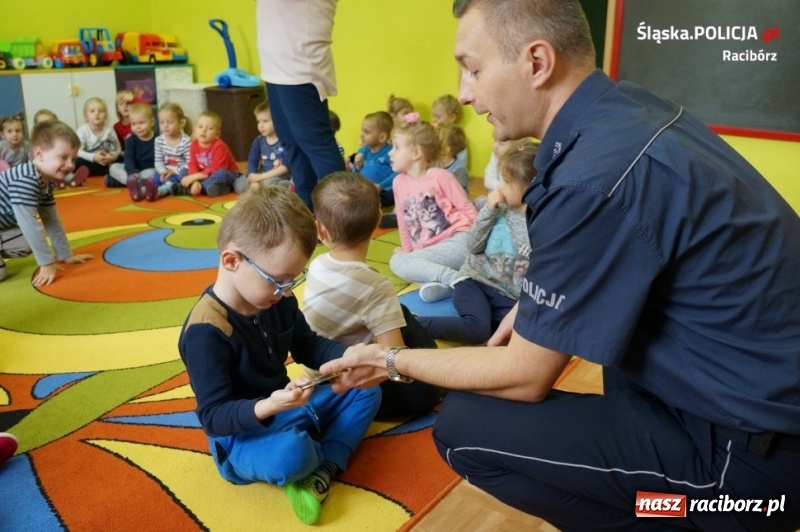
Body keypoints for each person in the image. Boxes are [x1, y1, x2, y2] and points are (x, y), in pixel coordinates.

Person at [319, 1, 800, 530]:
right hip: (755, 399)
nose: (465, 91)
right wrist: (534, 300)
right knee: (612, 354)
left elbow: (524, 376)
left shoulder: (592, 179)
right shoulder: (625, 109)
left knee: (463, 428)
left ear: (538, 62)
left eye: (474, 69)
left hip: (752, 466)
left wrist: (390, 362)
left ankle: (682, 515)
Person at [178, 186, 381, 525]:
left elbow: (309, 346)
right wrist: (270, 405)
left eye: (292, 281)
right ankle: (316, 452)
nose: (286, 291)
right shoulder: (205, 333)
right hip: (244, 433)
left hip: (291, 403)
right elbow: (213, 416)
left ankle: (323, 468)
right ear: (232, 261)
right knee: (292, 455)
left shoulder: (276, 299)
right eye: (278, 280)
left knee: (366, 389)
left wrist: (353, 355)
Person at [303, 171, 443, 417]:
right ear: (379, 218)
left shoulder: (316, 265)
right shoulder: (377, 286)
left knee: (396, 313)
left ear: (320, 230)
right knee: (404, 316)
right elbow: (395, 359)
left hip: (316, 370)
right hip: (352, 387)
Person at [418, 140, 537, 345]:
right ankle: (416, 324)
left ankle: (447, 293)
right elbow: (472, 246)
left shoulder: (543, 222)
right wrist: (489, 211)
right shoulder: (497, 209)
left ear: (531, 186)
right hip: (475, 281)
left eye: (506, 181)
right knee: (477, 330)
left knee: (522, 334)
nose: (499, 186)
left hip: (509, 297)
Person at [255, 0, 346, 210]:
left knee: (316, 144)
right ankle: (308, 212)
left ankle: (342, 218)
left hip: (298, 67)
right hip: (276, 67)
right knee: (291, 144)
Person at [388, 114, 476, 303]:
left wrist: (480, 241)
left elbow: (466, 208)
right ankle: (446, 285)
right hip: (430, 249)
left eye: (396, 147)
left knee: (403, 262)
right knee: (399, 261)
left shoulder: (439, 176)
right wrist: (409, 251)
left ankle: (455, 279)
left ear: (416, 153)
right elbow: (403, 223)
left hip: (457, 241)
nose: (390, 153)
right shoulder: (398, 183)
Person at [0, 120, 93, 284]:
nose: (70, 165)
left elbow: (52, 220)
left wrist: (65, 254)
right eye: (63, 157)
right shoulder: (25, 180)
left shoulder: (46, 181)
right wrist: (46, 264)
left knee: (30, 239)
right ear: (39, 154)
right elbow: (28, 223)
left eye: (73, 158)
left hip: (4, 224)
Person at [233, 101, 291, 194]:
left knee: (268, 185)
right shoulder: (259, 140)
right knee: (239, 185)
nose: (261, 125)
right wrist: (253, 178)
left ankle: (288, 186)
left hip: (280, 176)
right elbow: (252, 161)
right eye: (258, 121)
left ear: (278, 121)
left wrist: (260, 178)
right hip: (262, 174)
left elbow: (286, 167)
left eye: (265, 121)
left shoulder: (285, 140)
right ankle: (260, 189)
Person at [178, 111, 239, 197]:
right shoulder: (193, 144)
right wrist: (195, 180)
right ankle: (209, 188)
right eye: (200, 127)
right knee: (182, 172)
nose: (204, 130)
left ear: (217, 134)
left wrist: (195, 178)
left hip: (228, 174)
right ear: (195, 131)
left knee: (221, 174)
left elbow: (217, 168)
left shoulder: (220, 146)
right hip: (203, 175)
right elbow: (192, 164)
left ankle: (193, 188)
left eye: (210, 128)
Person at [108, 103, 157, 202]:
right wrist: (132, 173)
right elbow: (128, 158)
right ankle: (135, 183)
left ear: (152, 122)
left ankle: (118, 182)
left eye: (141, 123)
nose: (137, 127)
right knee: (113, 167)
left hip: (149, 170)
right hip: (134, 171)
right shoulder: (130, 140)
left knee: (154, 173)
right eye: (133, 124)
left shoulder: (159, 139)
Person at [350, 111, 396, 207]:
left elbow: (397, 174)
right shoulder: (362, 151)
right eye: (362, 130)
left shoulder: (390, 153)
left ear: (382, 137)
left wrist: (381, 186)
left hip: (383, 191)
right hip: (364, 190)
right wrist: (357, 166)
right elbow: (354, 175)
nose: (361, 134)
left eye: (366, 132)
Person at [74, 97, 122, 186]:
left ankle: (111, 170)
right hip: (91, 162)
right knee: (77, 161)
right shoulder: (82, 130)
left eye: (100, 111)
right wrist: (93, 157)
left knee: (123, 157)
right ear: (86, 116)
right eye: (92, 111)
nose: (97, 113)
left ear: (106, 115)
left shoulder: (109, 130)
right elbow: (78, 151)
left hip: (107, 161)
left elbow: (118, 148)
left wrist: (112, 157)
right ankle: (110, 171)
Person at [152, 102, 192, 199]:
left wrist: (174, 171)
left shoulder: (186, 141)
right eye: (162, 122)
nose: (165, 126)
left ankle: (162, 191)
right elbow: (158, 161)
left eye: (169, 122)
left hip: (179, 173)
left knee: (181, 177)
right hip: (165, 172)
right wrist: (163, 171)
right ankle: (144, 190)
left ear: (181, 123)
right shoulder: (158, 140)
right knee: (154, 177)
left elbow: (189, 163)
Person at [431, 94, 468, 169]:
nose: (434, 119)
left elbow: (462, 161)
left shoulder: (456, 136)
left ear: (452, 117)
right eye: (433, 116)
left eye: (438, 117)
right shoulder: (433, 133)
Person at [436, 123, 469, 194]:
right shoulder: (433, 163)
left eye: (438, 141)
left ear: (447, 149)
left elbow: (461, 197)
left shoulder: (459, 171)